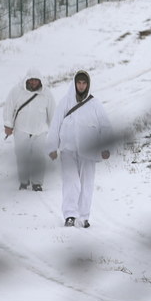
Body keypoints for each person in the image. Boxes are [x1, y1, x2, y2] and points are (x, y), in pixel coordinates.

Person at [47, 70, 114, 228]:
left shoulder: (95, 104)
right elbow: (55, 124)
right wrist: (52, 146)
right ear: (75, 83)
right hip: (67, 149)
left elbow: (105, 126)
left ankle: (83, 216)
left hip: (89, 150)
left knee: (86, 184)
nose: (81, 86)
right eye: (79, 82)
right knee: (71, 182)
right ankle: (70, 215)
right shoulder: (65, 102)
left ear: (88, 84)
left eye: (84, 83)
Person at [2, 69, 53, 191]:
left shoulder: (47, 94)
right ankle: (24, 181)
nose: (34, 82)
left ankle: (37, 183)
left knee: (39, 156)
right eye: (32, 80)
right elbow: (8, 108)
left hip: (40, 130)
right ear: (27, 79)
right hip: (21, 129)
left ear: (40, 81)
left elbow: (52, 112)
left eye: (36, 80)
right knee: (21, 156)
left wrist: (55, 129)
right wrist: (8, 125)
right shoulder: (16, 91)